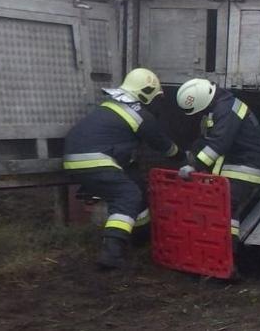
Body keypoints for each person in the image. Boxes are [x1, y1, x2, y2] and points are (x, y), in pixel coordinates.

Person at [63, 68, 181, 269]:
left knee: (136, 185)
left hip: (77, 159)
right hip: (97, 159)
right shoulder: (139, 114)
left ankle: (140, 237)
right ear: (147, 92)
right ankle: (112, 253)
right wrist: (183, 157)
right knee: (127, 196)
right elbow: (163, 144)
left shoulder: (113, 105)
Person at [175, 78, 260, 255]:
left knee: (224, 205)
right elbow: (207, 140)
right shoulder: (220, 107)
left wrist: (194, 166)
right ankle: (217, 253)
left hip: (247, 169)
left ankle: (227, 256)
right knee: (216, 205)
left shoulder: (226, 109)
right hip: (237, 165)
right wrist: (189, 156)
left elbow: (219, 144)